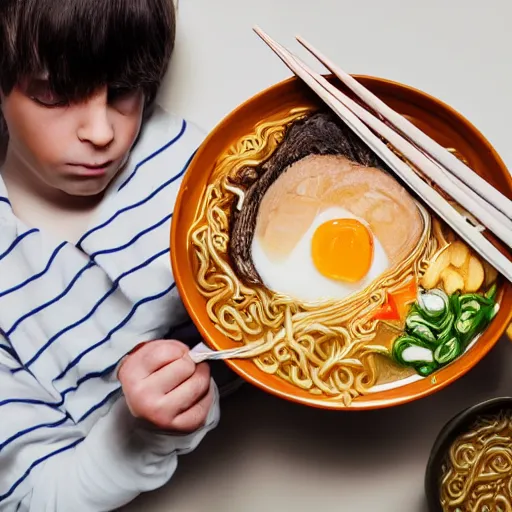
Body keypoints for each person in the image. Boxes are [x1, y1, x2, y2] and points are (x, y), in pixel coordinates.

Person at [0, 0, 238, 509]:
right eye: (56, 92)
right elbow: (35, 496)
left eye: (124, 91)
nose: (102, 133)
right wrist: (140, 432)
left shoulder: (201, 172)